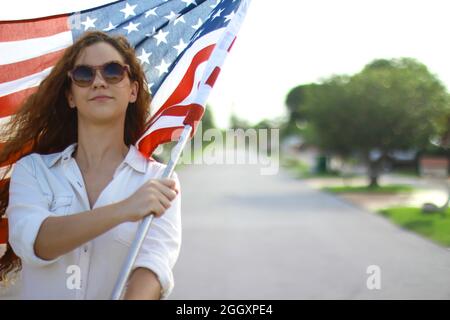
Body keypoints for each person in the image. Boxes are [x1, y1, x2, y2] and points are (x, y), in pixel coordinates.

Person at [0, 31, 181, 300]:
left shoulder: (160, 180)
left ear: (132, 90)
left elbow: (153, 268)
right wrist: (124, 209)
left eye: (112, 71)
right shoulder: (33, 171)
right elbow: (38, 241)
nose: (98, 82)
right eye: (84, 75)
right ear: (71, 96)